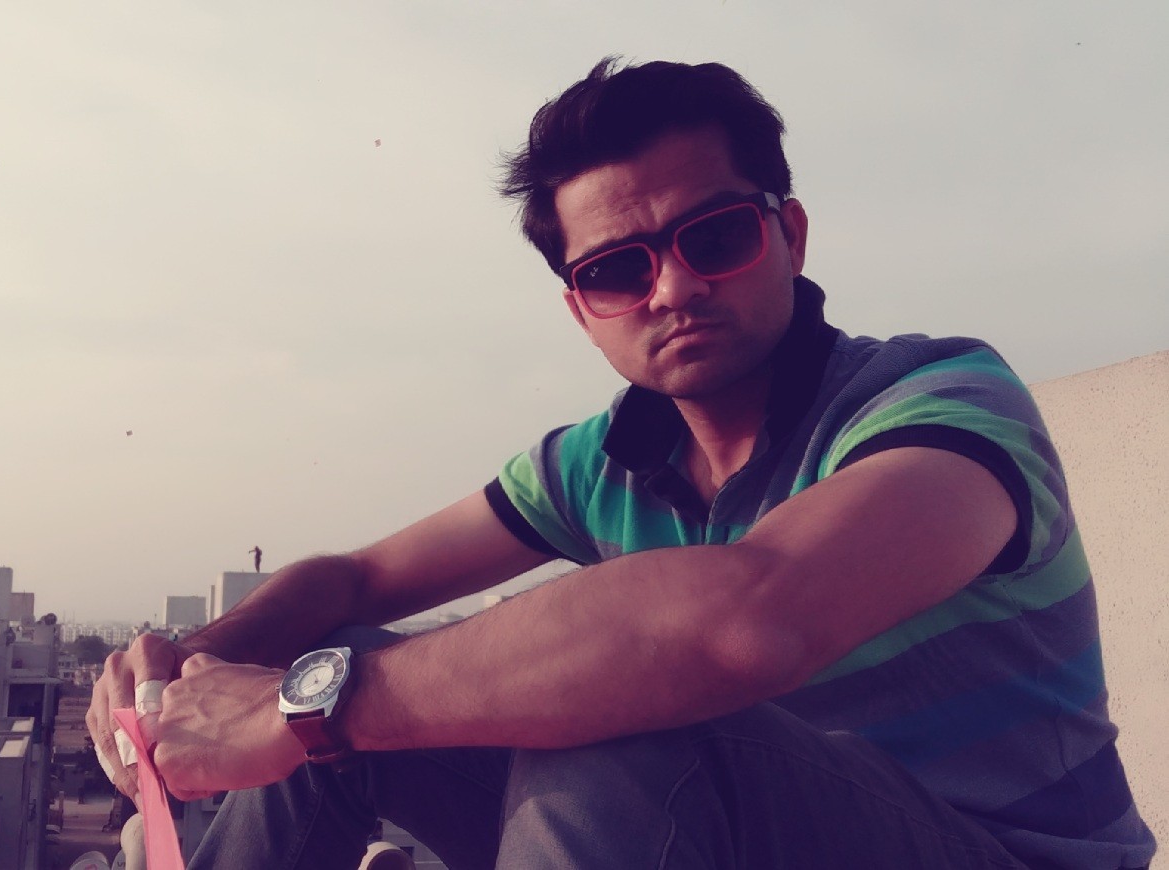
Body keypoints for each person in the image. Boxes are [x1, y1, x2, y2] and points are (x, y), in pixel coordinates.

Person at [88, 59, 1155, 869]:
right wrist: (188, 667)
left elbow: (747, 617)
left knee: (625, 716)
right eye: (617, 270)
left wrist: (299, 707)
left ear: (789, 234)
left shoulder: (939, 400)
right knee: (346, 671)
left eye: (715, 238)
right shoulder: (599, 463)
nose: (673, 289)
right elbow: (357, 581)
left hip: (999, 854)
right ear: (580, 308)